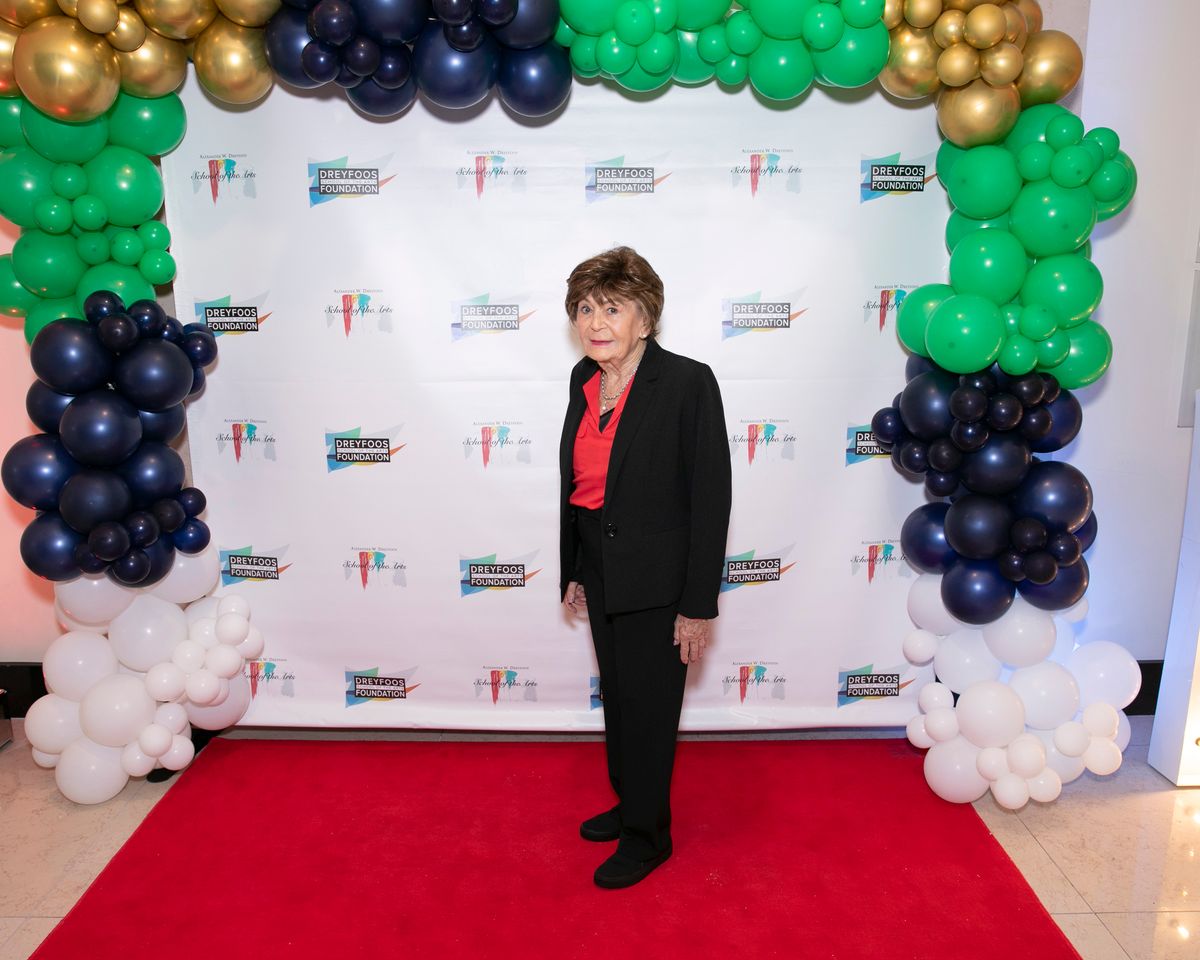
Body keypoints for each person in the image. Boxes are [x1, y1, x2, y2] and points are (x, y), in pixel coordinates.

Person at [558, 246, 731, 889]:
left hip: (660, 577)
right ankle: (631, 802)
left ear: (646, 319)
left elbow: (710, 498)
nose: (595, 322)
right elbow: (583, 483)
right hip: (601, 564)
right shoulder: (584, 378)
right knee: (620, 701)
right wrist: (578, 565)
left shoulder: (687, 383)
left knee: (651, 709)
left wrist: (697, 604)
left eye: (612, 308)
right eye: (585, 308)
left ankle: (647, 836)